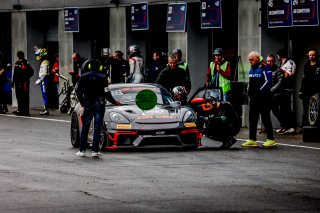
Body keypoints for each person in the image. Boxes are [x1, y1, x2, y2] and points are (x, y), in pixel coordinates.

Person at [75, 59, 120, 157]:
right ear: (99, 67)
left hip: (88, 103)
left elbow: (78, 91)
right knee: (97, 127)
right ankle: (95, 150)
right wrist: (114, 102)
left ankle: (82, 150)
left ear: (90, 66)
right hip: (99, 103)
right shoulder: (103, 77)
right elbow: (107, 92)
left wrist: (83, 103)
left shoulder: (83, 77)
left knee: (85, 126)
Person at [241, 51, 276, 147]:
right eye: (249, 60)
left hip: (264, 98)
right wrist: (249, 91)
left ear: (257, 58)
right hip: (254, 98)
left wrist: (259, 92)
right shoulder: (252, 68)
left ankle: (270, 139)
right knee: (252, 118)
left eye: (251, 60)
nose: (249, 61)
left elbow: (268, 82)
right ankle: (252, 139)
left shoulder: (265, 67)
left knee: (265, 118)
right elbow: (250, 82)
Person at [276, 49, 296, 134]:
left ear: (280, 55)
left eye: (278, 55)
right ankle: (284, 126)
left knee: (287, 108)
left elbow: (289, 74)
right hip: (282, 89)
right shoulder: (282, 63)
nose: (277, 57)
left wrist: (281, 70)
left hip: (287, 88)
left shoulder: (290, 62)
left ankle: (291, 127)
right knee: (282, 109)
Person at [299, 48, 320, 126]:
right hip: (306, 91)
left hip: (316, 91)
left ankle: (315, 126)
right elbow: (303, 79)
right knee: (306, 108)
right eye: (310, 55)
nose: (311, 56)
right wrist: (301, 90)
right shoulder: (306, 66)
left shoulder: (319, 65)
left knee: (316, 108)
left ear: (316, 55)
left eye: (313, 55)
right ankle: (304, 126)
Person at [267, 54, 285, 134]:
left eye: (271, 61)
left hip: (276, 94)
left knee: (274, 110)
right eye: (268, 61)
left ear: (274, 61)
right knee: (271, 111)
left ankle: (283, 126)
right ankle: (283, 126)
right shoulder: (266, 69)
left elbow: (280, 82)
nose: (269, 62)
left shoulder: (278, 70)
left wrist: (272, 89)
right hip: (267, 94)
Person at [12, 51, 34, 116]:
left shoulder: (26, 63)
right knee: (19, 96)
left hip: (24, 83)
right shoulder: (17, 63)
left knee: (25, 96)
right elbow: (15, 73)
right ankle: (20, 110)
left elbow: (31, 72)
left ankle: (26, 111)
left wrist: (25, 78)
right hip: (18, 83)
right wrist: (13, 82)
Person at [34, 46, 50, 115]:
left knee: (45, 95)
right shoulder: (44, 61)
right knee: (44, 95)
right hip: (44, 80)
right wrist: (38, 50)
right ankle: (45, 108)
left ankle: (46, 109)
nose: (37, 56)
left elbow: (44, 74)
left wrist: (39, 81)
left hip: (44, 81)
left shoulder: (44, 62)